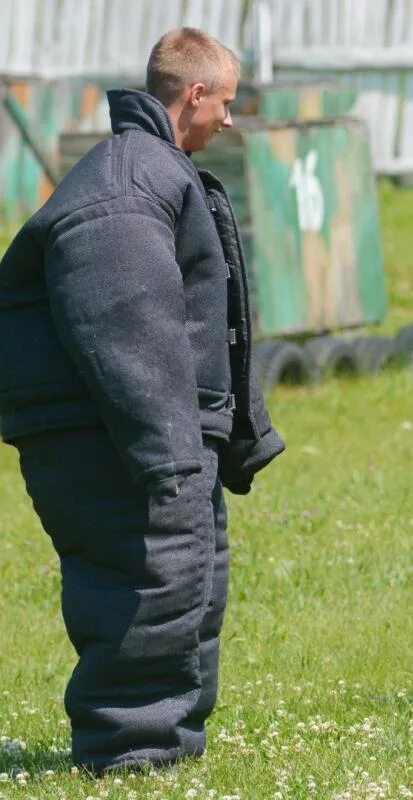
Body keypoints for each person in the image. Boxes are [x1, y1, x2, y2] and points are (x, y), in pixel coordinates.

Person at [0, 28, 284, 771]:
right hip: (112, 433)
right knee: (147, 579)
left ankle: (169, 748)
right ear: (193, 94)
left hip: (148, 430)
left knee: (191, 580)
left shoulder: (153, 170)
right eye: (225, 102)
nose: (229, 118)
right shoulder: (126, 189)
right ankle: (130, 756)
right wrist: (167, 455)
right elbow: (121, 323)